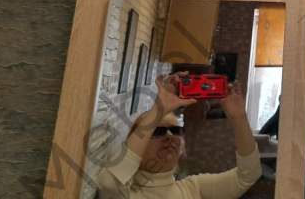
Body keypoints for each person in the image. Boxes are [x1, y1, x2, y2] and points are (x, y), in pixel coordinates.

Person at [97, 72, 262, 198]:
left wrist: (239, 118)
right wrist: (158, 109)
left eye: (176, 130)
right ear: (138, 146)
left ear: (182, 148)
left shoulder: (193, 188)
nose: (170, 136)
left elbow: (248, 175)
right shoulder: (125, 192)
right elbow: (109, 182)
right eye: (158, 131)